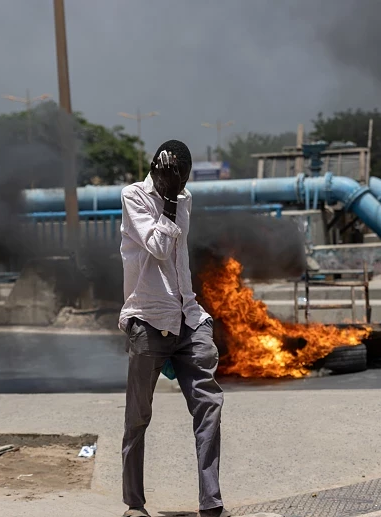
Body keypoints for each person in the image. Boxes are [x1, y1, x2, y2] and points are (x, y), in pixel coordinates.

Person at [118, 139, 229, 517]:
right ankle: (134, 504)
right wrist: (165, 200)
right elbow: (159, 247)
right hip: (148, 318)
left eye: (184, 181)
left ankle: (211, 503)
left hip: (187, 316)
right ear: (160, 171)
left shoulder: (185, 198)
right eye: (175, 178)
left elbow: (178, 261)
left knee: (209, 405)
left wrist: (198, 315)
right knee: (138, 416)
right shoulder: (133, 196)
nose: (180, 186)